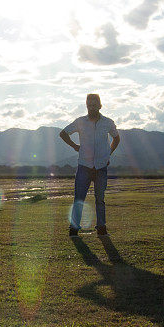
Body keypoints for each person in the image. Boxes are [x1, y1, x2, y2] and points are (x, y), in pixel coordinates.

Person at [59, 93, 120, 237]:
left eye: (94, 105)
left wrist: (108, 153)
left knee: (100, 199)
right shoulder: (80, 122)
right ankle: (74, 229)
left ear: (100, 106)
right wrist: (75, 146)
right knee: (79, 198)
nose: (91, 108)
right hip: (84, 166)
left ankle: (101, 228)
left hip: (101, 167)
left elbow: (116, 138)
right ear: (86, 106)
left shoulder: (108, 122)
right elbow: (63, 133)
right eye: (89, 105)